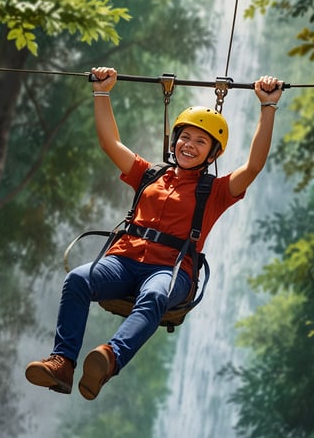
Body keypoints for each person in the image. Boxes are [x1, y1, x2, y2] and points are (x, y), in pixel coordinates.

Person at [25, 66, 283, 400]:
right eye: (184, 137)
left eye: (200, 141)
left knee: (155, 295)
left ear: (213, 153)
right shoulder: (149, 174)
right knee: (77, 279)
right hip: (123, 261)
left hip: (171, 270)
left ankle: (110, 357)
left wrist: (268, 106)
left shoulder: (215, 191)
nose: (188, 145)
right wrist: (102, 92)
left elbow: (254, 166)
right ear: (174, 140)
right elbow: (110, 143)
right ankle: (62, 363)